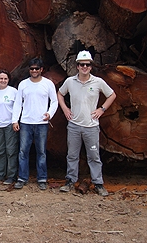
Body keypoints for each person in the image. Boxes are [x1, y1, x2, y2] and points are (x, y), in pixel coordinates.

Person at [57, 50, 116, 196]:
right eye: (82, 64)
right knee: (72, 155)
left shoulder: (98, 82)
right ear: (77, 66)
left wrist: (101, 109)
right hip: (74, 125)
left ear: (91, 66)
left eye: (87, 65)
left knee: (94, 156)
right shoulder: (70, 82)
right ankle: (70, 181)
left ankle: (98, 183)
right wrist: (65, 108)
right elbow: (60, 93)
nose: (84, 67)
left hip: (91, 126)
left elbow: (112, 95)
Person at [12, 58, 58, 190]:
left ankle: (42, 178)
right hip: (26, 122)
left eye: (36, 68)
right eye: (32, 68)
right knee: (23, 151)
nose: (34, 71)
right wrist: (15, 120)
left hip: (41, 122)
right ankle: (22, 178)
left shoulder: (48, 84)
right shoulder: (23, 84)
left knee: (41, 151)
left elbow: (54, 101)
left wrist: (50, 114)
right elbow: (18, 103)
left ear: (41, 70)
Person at [0, 69, 18, 185]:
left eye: (5, 78)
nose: (3, 80)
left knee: (11, 151)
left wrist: (15, 121)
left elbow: (17, 108)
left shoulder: (13, 92)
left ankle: (11, 175)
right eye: (1, 78)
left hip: (10, 124)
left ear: (9, 80)